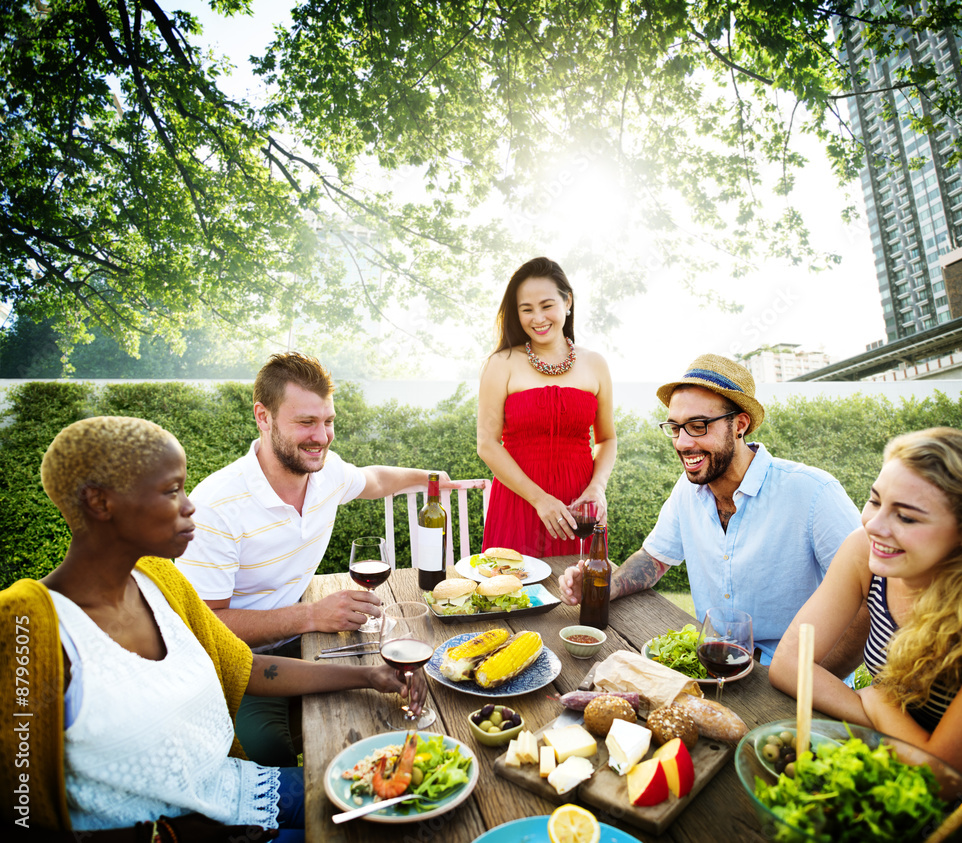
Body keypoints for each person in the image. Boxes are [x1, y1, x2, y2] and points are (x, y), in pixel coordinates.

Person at [0, 416, 425, 839]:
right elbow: (18, 805)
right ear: (100, 503)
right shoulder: (25, 627)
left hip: (239, 797)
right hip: (185, 832)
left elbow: (244, 666)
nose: (190, 506)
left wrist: (371, 676)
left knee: (412, 793)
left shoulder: (160, 581)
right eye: (172, 491)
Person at [175, 351, 450, 767]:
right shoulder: (215, 507)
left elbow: (374, 479)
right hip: (239, 664)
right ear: (263, 417)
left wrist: (431, 477)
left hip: (311, 646)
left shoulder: (327, 472)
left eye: (328, 422)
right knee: (269, 754)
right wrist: (310, 616)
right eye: (306, 422)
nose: (321, 437)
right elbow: (204, 627)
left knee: (407, 711)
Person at [559, 353, 864, 665]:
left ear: (740, 425)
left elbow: (869, 596)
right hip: (714, 661)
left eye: (698, 425)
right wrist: (603, 588)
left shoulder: (813, 493)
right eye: (675, 428)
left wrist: (812, 681)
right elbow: (653, 559)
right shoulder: (687, 491)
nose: (682, 442)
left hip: (793, 674)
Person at [770, 428, 962, 817]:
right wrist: (885, 719)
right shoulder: (865, 551)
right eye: (875, 500)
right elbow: (788, 665)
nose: (875, 525)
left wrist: (879, 700)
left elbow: (945, 780)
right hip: (881, 762)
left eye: (906, 517)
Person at [477, 257, 617, 557]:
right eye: (526, 309)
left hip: (578, 507)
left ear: (567, 301)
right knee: (511, 593)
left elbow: (607, 439)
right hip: (519, 501)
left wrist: (597, 488)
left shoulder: (595, 363)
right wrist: (540, 499)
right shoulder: (501, 364)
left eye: (546, 305)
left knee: (580, 594)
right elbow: (487, 444)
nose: (537, 318)